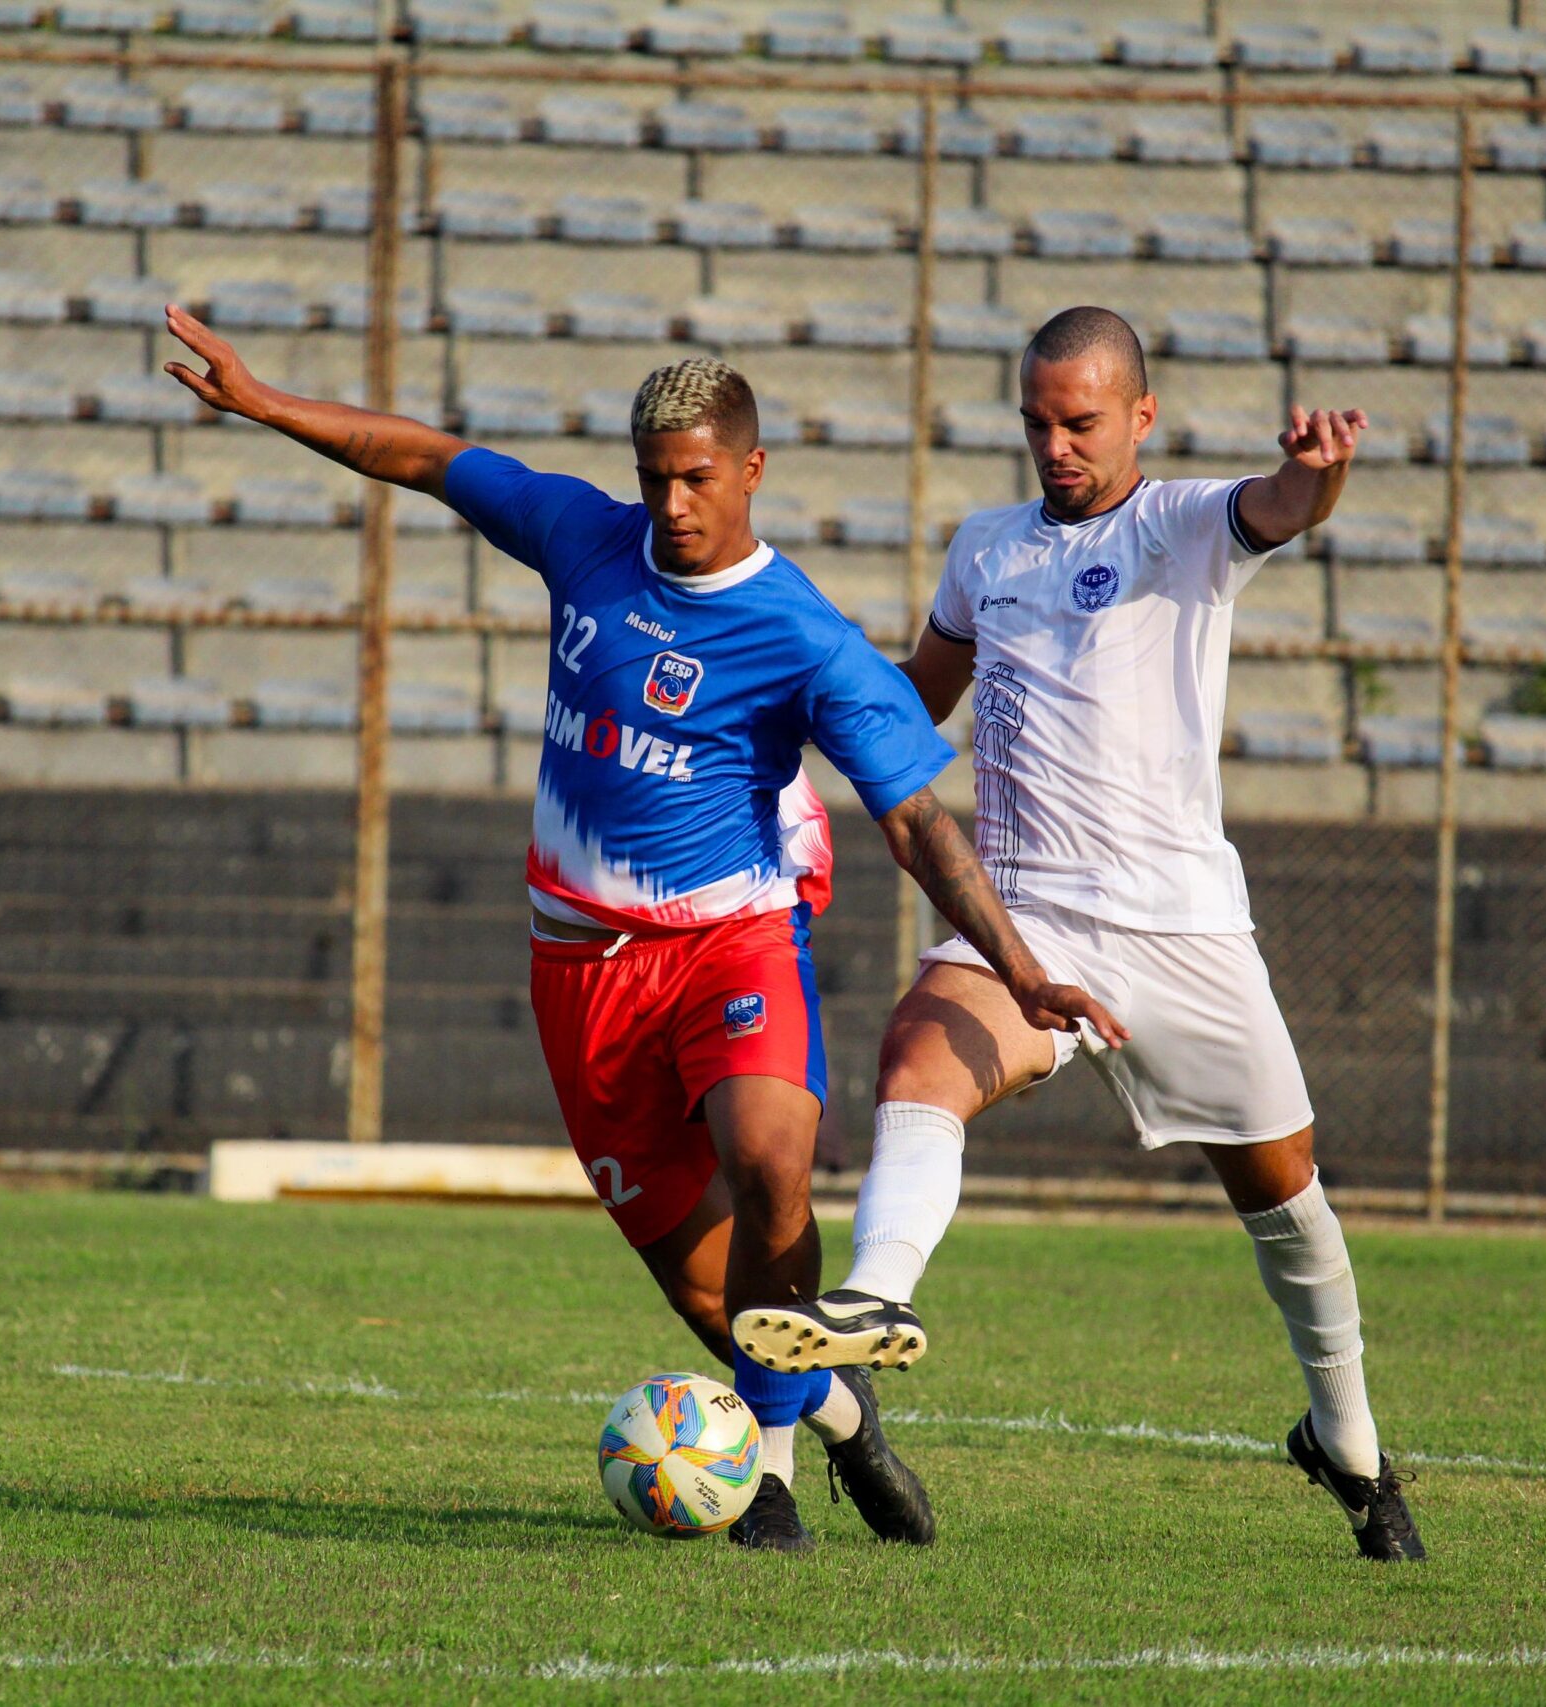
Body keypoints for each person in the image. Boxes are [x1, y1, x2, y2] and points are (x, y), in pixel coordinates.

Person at [162, 311, 1123, 1554]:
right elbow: (427, 459)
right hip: (579, 970)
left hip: (731, 938)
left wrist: (1023, 970)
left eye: (697, 479)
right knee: (701, 1286)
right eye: (655, 479)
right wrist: (265, 400)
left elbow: (918, 826)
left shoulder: (804, 638)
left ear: (750, 471)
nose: (672, 504)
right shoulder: (584, 542)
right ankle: (837, 1412)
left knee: (773, 1154)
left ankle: (766, 1474)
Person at [731, 306, 1426, 1562]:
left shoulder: (1180, 526)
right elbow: (907, 708)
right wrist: (785, 730)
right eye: (1037, 423)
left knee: (1288, 1207)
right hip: (1033, 916)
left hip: (1185, 931)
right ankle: (876, 1294)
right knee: (918, 1056)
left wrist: (1318, 477)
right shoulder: (986, 550)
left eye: (1082, 422)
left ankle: (1351, 1446)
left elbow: (1278, 508)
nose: (1056, 446)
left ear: (1140, 417)